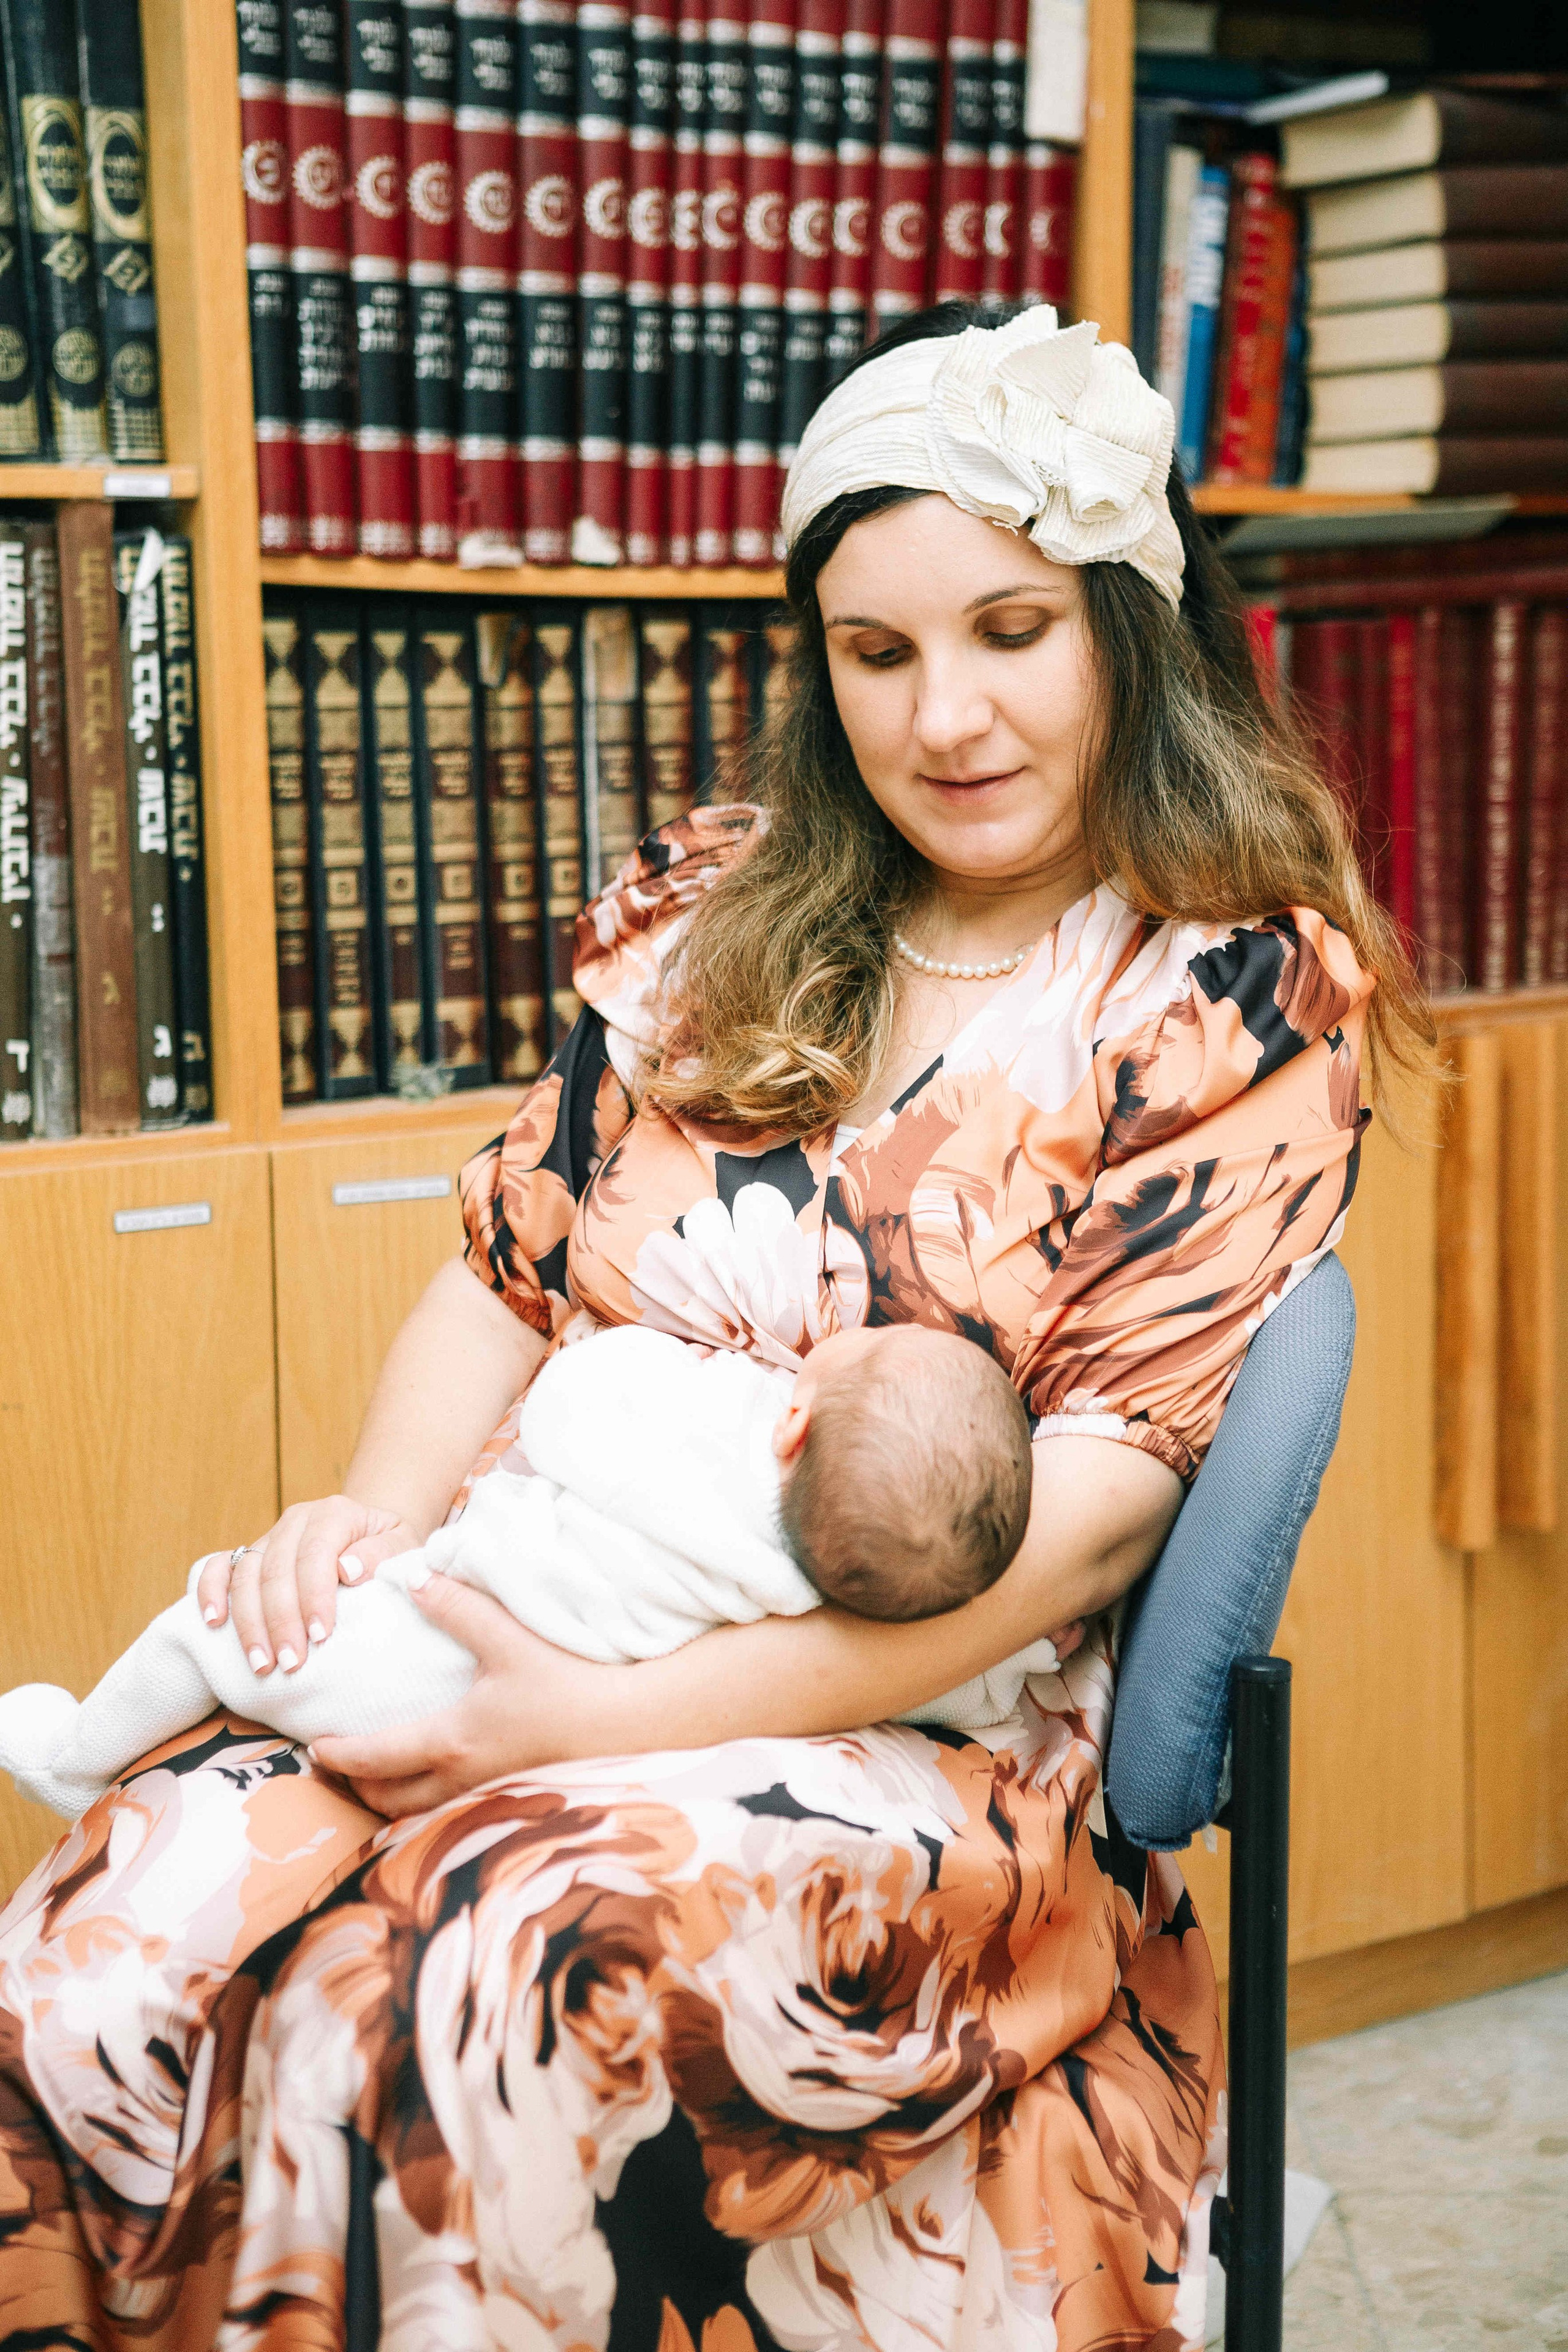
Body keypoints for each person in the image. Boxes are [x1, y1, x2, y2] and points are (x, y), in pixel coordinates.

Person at [0, 301, 1428, 2350]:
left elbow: (1093, 1527)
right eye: (878, 651)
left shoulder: (1229, 994)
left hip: (924, 1727)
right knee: (100, 1940)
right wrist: (367, 1530)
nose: (948, 716)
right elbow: (506, 1265)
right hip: (536, 1608)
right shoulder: (710, 910)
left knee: (439, 2004)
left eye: (1011, 630)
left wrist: (574, 1734)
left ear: (1129, 618)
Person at [0, 1321, 1051, 1819]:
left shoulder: (702, 1455)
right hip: (626, 1759)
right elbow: (980, 1672)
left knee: (216, 1624)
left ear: (793, 1419)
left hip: (432, 1652)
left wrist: (693, 1370)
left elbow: (567, 1408)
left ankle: (78, 1752)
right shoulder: (837, 1587)